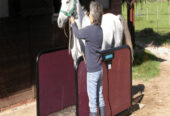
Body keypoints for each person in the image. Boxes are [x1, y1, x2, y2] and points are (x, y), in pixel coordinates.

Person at [69, 1, 105, 116]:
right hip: (100, 70)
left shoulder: (90, 30)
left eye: (90, 14)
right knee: (100, 97)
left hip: (92, 73)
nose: (89, 15)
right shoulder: (100, 30)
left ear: (93, 16)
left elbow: (78, 34)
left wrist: (73, 23)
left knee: (92, 103)